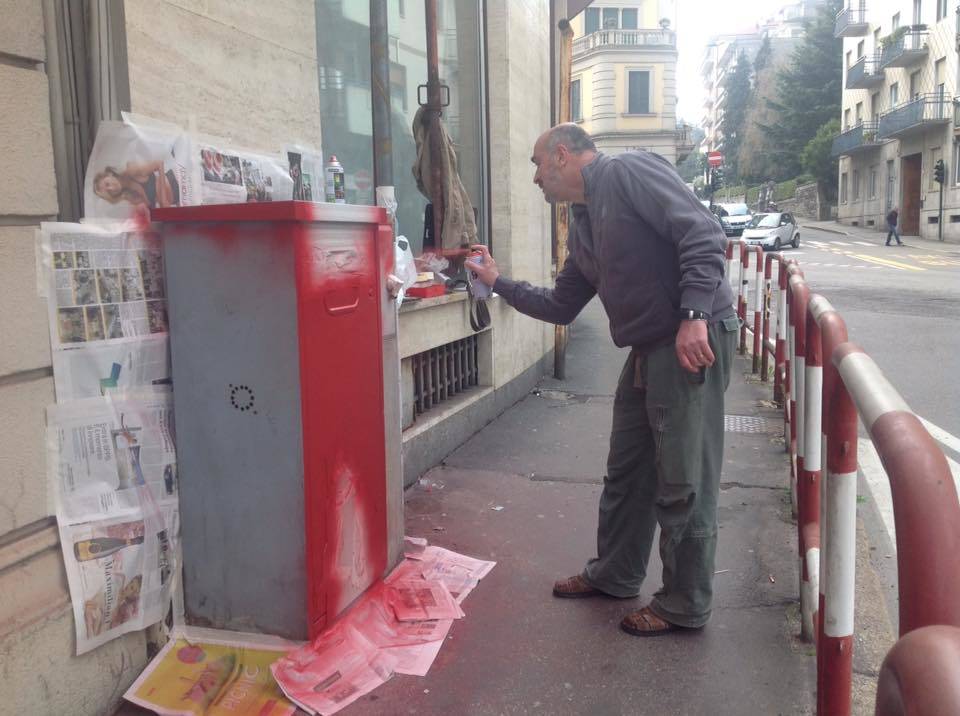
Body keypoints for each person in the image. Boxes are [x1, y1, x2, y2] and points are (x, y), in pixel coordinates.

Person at [467, 124, 738, 637]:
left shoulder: (628, 171)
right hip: (649, 347)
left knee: (683, 479)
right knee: (628, 467)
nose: (534, 177)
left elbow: (703, 233)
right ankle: (615, 573)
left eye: (536, 164)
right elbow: (562, 304)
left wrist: (694, 313)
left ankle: (684, 602)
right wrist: (496, 282)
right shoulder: (585, 221)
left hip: (688, 340)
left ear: (562, 156)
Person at [93, 160, 180, 209]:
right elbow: (151, 205)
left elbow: (159, 163)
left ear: (109, 174)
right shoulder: (130, 197)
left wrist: (163, 199)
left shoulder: (131, 171)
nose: (111, 188)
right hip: (178, 199)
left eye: (107, 184)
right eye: (109, 192)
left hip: (177, 181)